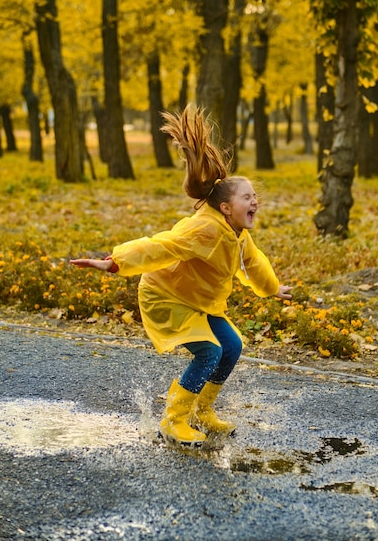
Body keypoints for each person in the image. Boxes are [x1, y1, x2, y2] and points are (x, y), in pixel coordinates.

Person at [71, 104, 292, 448]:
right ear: (225, 207)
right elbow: (161, 246)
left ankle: (202, 410)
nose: (255, 202)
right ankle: (173, 419)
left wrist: (273, 288)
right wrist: (113, 262)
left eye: (255, 197)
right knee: (209, 352)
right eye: (247, 197)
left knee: (232, 346)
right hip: (166, 297)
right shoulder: (204, 230)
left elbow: (255, 265)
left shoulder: (238, 235)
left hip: (198, 302)